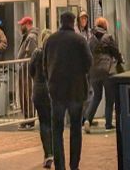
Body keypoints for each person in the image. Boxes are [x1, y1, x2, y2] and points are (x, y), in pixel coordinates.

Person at [43, 10, 92, 170]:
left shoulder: (50, 40)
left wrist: (50, 81)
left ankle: (60, 166)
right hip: (76, 90)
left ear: (60, 21)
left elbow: (45, 65)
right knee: (75, 129)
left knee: (57, 130)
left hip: (56, 91)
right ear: (73, 22)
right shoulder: (79, 40)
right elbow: (89, 63)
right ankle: (74, 165)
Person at [84, 16, 123, 132]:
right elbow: (115, 51)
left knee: (97, 96)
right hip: (107, 70)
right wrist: (120, 60)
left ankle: (87, 119)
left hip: (94, 71)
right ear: (105, 25)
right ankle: (108, 124)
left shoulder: (91, 39)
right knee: (110, 98)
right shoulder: (108, 37)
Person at [29, 29, 53, 169]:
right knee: (52, 123)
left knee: (44, 123)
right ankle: (55, 152)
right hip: (52, 91)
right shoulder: (55, 54)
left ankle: (48, 154)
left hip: (38, 91)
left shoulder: (37, 53)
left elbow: (31, 70)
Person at [16, 15, 39, 128]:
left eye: (22, 25)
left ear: (28, 24)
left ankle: (29, 118)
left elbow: (31, 54)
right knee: (24, 94)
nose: (21, 27)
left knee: (28, 94)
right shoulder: (27, 37)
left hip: (27, 70)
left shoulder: (31, 37)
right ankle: (27, 118)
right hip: (24, 69)